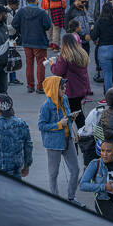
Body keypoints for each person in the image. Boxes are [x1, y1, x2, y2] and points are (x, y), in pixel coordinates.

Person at [38, 76, 83, 205]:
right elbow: (41, 125)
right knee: (54, 174)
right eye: (62, 86)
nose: (65, 88)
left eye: (64, 86)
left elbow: (66, 118)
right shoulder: (46, 106)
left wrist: (71, 118)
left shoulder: (64, 99)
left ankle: (71, 197)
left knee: (75, 170)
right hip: (53, 144)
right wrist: (59, 124)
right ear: (54, 88)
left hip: (68, 140)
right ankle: (56, 201)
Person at [12, 0, 52, 94]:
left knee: (29, 64)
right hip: (40, 41)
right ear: (36, 0)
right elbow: (47, 25)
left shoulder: (21, 11)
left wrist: (21, 30)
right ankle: (40, 86)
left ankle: (30, 85)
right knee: (40, 64)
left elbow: (14, 23)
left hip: (27, 41)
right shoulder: (42, 12)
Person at [49, 34, 91, 128]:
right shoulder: (82, 54)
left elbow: (58, 71)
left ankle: (71, 136)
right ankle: (83, 134)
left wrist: (52, 65)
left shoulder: (65, 56)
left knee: (70, 115)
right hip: (81, 88)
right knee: (77, 113)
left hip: (70, 90)